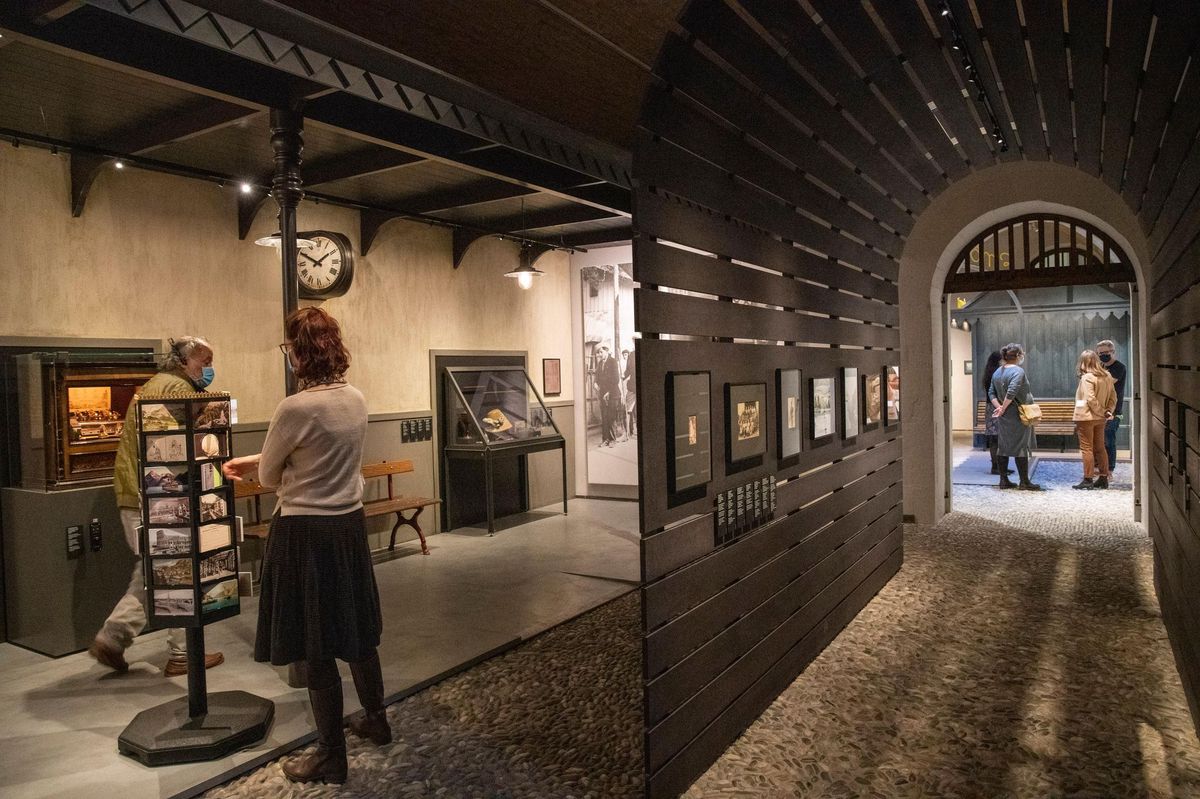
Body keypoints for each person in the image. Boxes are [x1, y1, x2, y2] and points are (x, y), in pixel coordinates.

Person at [222, 308, 387, 785]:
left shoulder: (293, 408)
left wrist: (259, 463)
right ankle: (376, 719)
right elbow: (324, 451)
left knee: (315, 646)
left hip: (305, 534)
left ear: (298, 353)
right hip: (348, 528)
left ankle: (330, 756)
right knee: (355, 632)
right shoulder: (354, 399)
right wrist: (256, 459)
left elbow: (273, 476)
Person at [88, 336, 226, 677]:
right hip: (155, 499)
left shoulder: (157, 384)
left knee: (154, 570)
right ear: (184, 361)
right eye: (204, 361)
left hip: (136, 494)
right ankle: (181, 653)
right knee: (173, 569)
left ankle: (114, 638)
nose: (209, 369)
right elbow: (193, 436)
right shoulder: (176, 390)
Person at [989, 342, 1042, 490]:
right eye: (1022, 354)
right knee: (1021, 446)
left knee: (1003, 446)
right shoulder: (1018, 371)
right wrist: (1003, 408)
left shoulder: (998, 372)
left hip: (1004, 416)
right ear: (1018, 355)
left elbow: (991, 393)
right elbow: (1012, 391)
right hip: (1018, 414)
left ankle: (1003, 480)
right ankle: (1024, 481)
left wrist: (999, 408)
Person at [1072, 349, 1117, 490]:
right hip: (1100, 419)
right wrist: (1107, 411)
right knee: (1100, 447)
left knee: (1087, 448)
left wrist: (1100, 411)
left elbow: (1090, 398)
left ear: (1083, 362)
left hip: (1086, 417)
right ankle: (1103, 477)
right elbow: (1113, 397)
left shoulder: (1087, 378)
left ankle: (1088, 479)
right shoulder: (1107, 376)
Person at [1095, 339, 1127, 476]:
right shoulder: (1100, 366)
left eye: (1105, 352)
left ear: (1113, 352)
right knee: (1098, 441)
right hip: (1098, 410)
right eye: (1100, 353)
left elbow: (1108, 383)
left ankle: (1109, 469)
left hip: (1114, 410)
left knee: (1109, 440)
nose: (1103, 355)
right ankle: (1099, 468)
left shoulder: (1119, 367)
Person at [980, 350, 1009, 475]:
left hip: (989, 407)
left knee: (994, 438)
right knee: (999, 439)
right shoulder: (997, 374)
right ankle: (998, 467)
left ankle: (996, 466)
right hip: (996, 407)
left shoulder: (988, 374)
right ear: (999, 360)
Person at [594, 343, 621, 447]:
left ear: (606, 351)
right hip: (603, 395)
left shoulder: (613, 361)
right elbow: (597, 377)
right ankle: (605, 439)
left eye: (601, 352)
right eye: (598, 353)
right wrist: (595, 383)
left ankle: (613, 440)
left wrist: (608, 392)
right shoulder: (600, 364)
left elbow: (616, 379)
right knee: (604, 418)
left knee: (611, 417)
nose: (600, 354)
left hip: (612, 394)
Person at [622, 347, 637, 440]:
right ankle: (627, 433)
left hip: (641, 386)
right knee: (627, 410)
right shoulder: (631, 355)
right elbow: (628, 370)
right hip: (633, 387)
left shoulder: (632, 355)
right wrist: (623, 376)